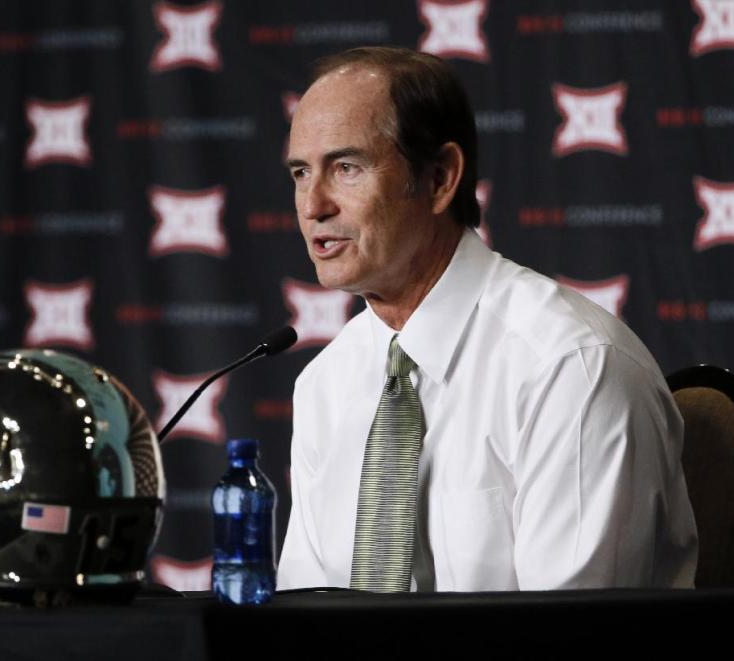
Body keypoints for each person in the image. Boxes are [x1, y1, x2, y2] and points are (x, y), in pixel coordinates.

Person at [277, 46, 697, 592]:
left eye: (347, 168)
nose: (312, 205)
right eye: (301, 172)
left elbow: (581, 639)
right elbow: (301, 624)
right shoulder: (324, 384)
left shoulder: (571, 368)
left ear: (440, 178)